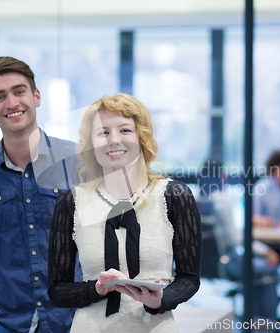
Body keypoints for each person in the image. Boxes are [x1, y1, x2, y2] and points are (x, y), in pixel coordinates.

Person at [47, 93, 202, 332]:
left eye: (125, 130)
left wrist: (160, 300)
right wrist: (96, 289)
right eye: (103, 132)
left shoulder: (174, 196)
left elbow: (189, 279)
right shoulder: (71, 202)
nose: (114, 140)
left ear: (142, 136)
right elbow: (57, 289)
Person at [0, 56, 79, 333]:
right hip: (8, 325)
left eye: (19, 91)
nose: (12, 103)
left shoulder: (77, 161)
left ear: (36, 96)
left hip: (75, 321)